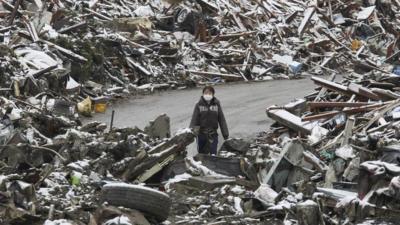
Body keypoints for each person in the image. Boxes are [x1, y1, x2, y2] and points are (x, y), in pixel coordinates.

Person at [189, 86, 229, 155]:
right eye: (206, 93)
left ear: (213, 94)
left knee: (213, 154)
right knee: (202, 155)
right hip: (201, 135)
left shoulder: (216, 104)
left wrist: (225, 134)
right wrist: (190, 134)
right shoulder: (198, 105)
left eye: (210, 93)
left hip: (213, 134)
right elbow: (194, 119)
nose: (207, 94)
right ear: (203, 94)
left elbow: (221, 119)